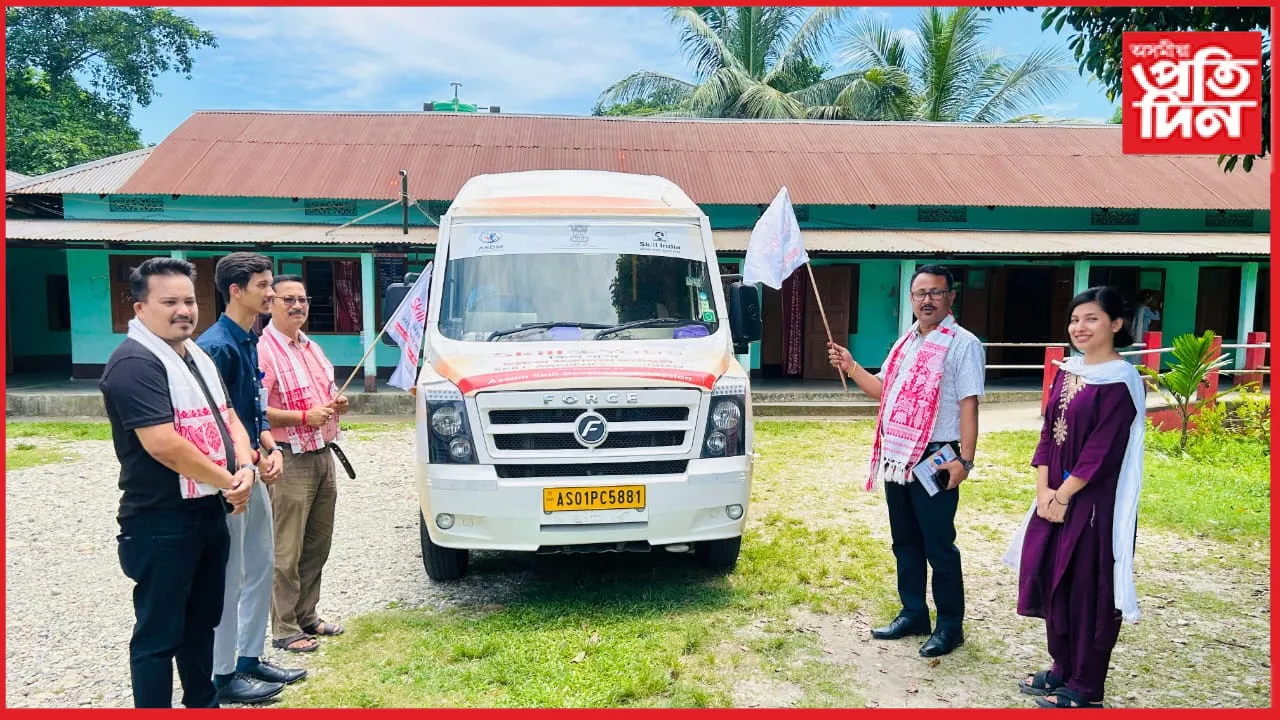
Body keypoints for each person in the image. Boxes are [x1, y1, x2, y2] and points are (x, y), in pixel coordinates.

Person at [99, 257, 256, 708]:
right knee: (158, 634)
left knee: (201, 621)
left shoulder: (197, 357)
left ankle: (203, 704)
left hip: (207, 511)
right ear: (140, 307)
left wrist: (244, 466)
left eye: (189, 300)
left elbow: (229, 418)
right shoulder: (134, 362)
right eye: (169, 301)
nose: (183, 310)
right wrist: (230, 479)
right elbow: (163, 445)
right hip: (160, 521)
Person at [827, 264, 985, 658]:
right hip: (898, 456)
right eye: (920, 293)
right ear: (911, 299)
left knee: (939, 543)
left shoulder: (963, 344)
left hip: (937, 455)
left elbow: (969, 404)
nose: (927, 300)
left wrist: (965, 460)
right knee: (905, 541)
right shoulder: (906, 343)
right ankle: (914, 611)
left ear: (951, 297)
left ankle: (950, 624)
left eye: (935, 292)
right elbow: (883, 391)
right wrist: (851, 366)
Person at [1002, 286, 1146, 708]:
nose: (1079, 328)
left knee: (1088, 589)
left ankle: (1087, 687)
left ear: (1116, 325)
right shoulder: (1069, 371)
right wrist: (1043, 490)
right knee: (1053, 580)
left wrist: (1063, 494)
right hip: (1053, 496)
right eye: (1075, 319)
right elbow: (1048, 432)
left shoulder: (1121, 382)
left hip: (1093, 504)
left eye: (1092, 319)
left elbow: (1102, 450)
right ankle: (1063, 667)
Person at [196, 252, 305, 704]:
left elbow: (251, 406)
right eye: (263, 286)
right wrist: (239, 467)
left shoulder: (248, 338)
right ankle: (222, 677)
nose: (272, 293)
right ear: (236, 291)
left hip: (252, 463)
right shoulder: (216, 346)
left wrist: (269, 447)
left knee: (260, 561)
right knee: (231, 574)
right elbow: (211, 419)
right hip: (229, 476)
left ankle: (248, 657)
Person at [258, 274, 350, 654]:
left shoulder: (312, 347)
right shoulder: (263, 349)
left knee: (317, 543)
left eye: (303, 299)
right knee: (286, 549)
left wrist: (336, 405)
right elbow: (255, 411)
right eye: (288, 300)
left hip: (322, 454)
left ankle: (307, 614)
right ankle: (283, 628)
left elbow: (325, 395)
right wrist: (301, 417)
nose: (297, 306)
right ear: (271, 303)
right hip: (288, 456)